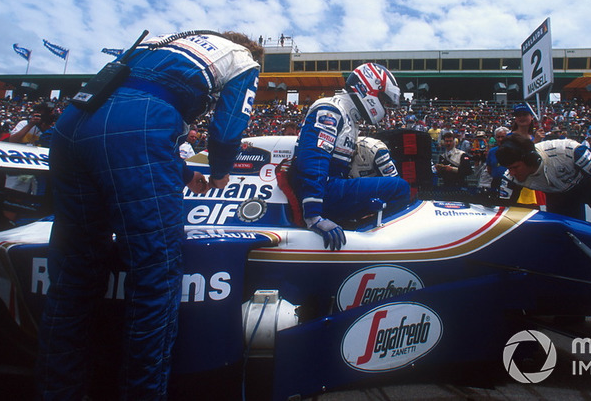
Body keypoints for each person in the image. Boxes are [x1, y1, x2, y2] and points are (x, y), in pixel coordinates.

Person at [37, 31, 262, 400]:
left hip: (70, 127)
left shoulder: (162, 41)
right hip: (137, 126)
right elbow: (227, 127)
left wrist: (188, 174)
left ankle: (57, 392)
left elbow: (114, 108)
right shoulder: (243, 59)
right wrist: (221, 170)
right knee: (154, 275)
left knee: (72, 278)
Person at [291, 63, 410, 251]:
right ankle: (367, 239)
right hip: (323, 190)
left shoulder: (348, 117)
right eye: (384, 100)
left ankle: (357, 226)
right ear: (369, 88)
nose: (385, 108)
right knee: (400, 188)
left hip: (328, 187)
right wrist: (313, 214)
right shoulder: (331, 109)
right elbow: (313, 160)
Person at [496, 133, 591, 242]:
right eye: (508, 168)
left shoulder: (569, 150)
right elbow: (502, 208)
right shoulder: (510, 177)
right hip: (560, 196)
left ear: (530, 159)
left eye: (515, 167)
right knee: (565, 237)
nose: (512, 172)